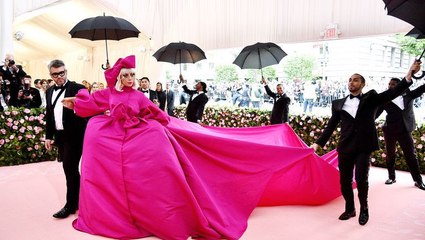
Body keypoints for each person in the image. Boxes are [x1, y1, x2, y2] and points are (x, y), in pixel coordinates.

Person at [63, 55, 342, 240]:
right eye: (127, 75)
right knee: (96, 142)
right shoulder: (107, 94)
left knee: (159, 158)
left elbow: (157, 115)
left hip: (137, 140)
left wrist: (170, 125)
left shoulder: (138, 96)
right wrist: (77, 102)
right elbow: (91, 104)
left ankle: (159, 212)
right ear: (118, 77)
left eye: (133, 75)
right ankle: (113, 210)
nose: (131, 79)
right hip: (114, 141)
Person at [311, 60, 421, 226]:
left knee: (362, 180)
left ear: (363, 84)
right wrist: (318, 144)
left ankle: (364, 208)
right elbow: (331, 126)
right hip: (346, 146)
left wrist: (409, 74)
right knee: (344, 181)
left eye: (355, 80)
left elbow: (392, 93)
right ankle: (350, 209)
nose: (351, 82)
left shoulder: (371, 98)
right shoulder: (338, 104)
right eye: (349, 79)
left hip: (364, 146)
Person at [44, 59, 87, 219]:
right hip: (60, 137)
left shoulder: (78, 88)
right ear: (51, 75)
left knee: (69, 168)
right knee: (71, 170)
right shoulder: (48, 91)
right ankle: (81, 200)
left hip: (76, 136)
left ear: (66, 71)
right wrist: (48, 136)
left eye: (61, 73)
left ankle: (70, 205)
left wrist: (76, 106)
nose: (59, 77)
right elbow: (49, 116)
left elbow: (88, 110)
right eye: (55, 74)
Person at [375, 78, 425, 190]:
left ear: (400, 85)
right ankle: (391, 177)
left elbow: (422, 88)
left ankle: (418, 180)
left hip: (405, 130)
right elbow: (375, 114)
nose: (390, 86)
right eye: (389, 84)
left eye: (393, 84)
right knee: (390, 154)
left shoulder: (409, 94)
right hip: (390, 130)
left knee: (411, 155)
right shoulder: (385, 98)